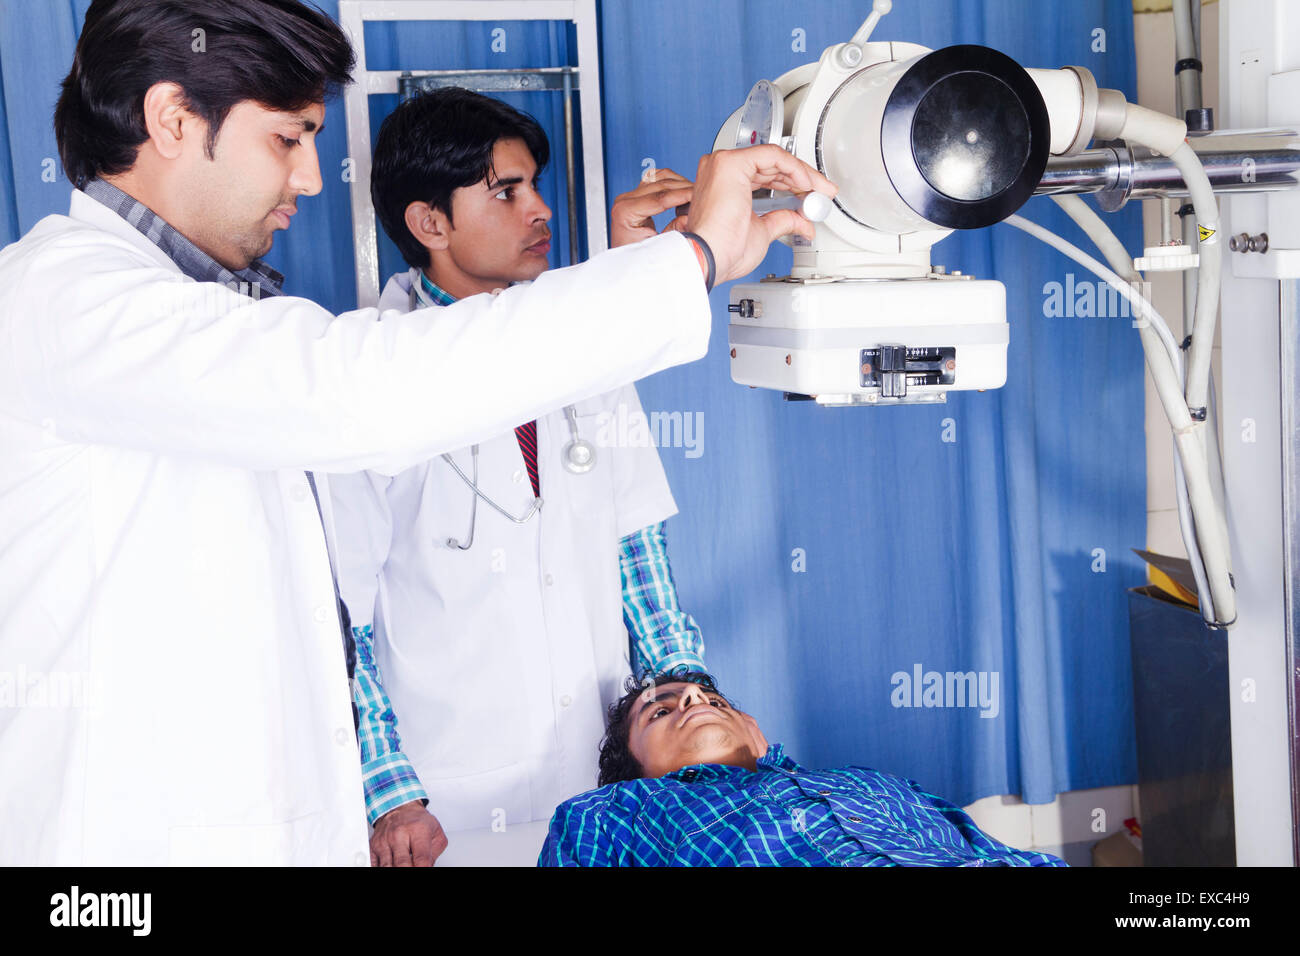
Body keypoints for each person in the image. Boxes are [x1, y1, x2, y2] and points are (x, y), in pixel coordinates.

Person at [0, 0, 833, 865]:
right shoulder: (62, 300)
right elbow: (366, 391)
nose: (313, 179)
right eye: (289, 139)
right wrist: (689, 259)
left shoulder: (205, 317)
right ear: (173, 119)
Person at [329, 88, 710, 867]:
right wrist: (389, 792)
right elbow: (344, 622)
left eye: (536, 185)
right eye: (507, 191)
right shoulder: (363, 380)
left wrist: (688, 701)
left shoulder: (589, 349)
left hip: (604, 784)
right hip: (446, 801)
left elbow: (639, 559)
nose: (540, 210)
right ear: (429, 223)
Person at [539, 673, 1068, 866]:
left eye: (712, 699)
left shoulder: (870, 782)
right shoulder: (607, 815)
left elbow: (987, 850)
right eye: (659, 710)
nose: (696, 698)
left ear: (757, 733)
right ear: (632, 772)